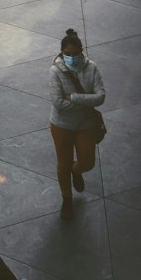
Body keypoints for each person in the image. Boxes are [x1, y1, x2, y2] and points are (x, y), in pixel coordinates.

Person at [49, 28, 104, 218]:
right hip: (61, 125)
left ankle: (76, 170)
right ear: (62, 53)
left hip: (85, 124)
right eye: (67, 54)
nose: (71, 57)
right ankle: (67, 199)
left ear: (82, 51)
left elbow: (101, 97)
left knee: (87, 162)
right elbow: (58, 103)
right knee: (63, 164)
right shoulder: (55, 71)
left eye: (75, 53)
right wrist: (86, 100)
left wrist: (73, 98)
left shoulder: (92, 68)